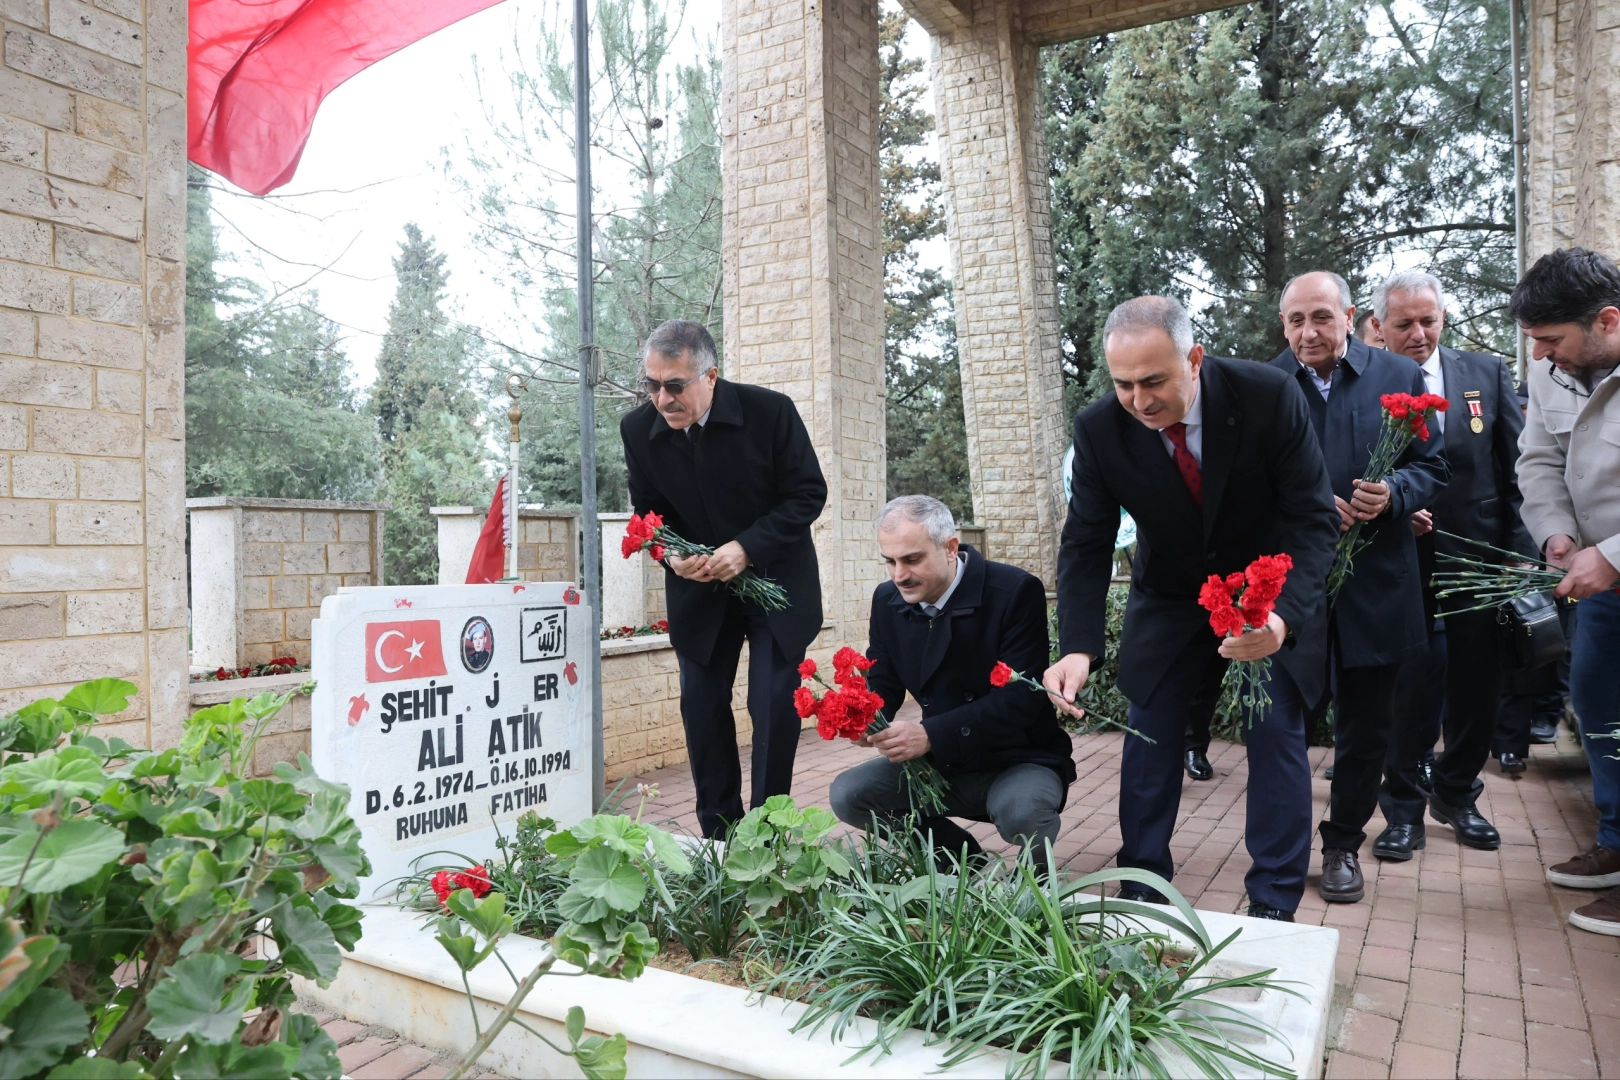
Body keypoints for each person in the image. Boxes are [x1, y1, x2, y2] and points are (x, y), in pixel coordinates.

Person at [1045, 296, 1339, 922]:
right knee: (1149, 728)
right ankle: (1142, 880)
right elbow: (1086, 543)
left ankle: (1274, 899)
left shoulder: (1268, 396)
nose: (1140, 401)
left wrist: (1281, 619)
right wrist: (1078, 647)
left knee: (1274, 728)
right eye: (1124, 384)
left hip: (1266, 591)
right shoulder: (1099, 429)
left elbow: (1312, 521)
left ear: (1195, 359)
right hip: (1172, 593)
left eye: (1154, 381)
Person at [1269, 271, 1449, 903]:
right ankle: (1281, 847)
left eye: (1322, 317)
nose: (1308, 332)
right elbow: (1245, 486)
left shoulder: (1399, 377)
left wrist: (1393, 493)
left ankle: (1342, 844)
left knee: (1368, 727)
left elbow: (1434, 466)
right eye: (1296, 320)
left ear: (1350, 318)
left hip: (1378, 584)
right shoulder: (1265, 387)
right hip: (1295, 591)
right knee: (1284, 723)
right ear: (1283, 324)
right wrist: (1311, 508)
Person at [620, 320, 828, 838]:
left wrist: (747, 547)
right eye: (652, 385)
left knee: (772, 705)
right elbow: (649, 512)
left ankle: (767, 833)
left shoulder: (771, 411)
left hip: (776, 585)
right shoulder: (636, 429)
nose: (662, 399)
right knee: (701, 706)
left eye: (675, 385)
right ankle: (720, 838)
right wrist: (671, 556)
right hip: (699, 592)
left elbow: (808, 493)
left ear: (710, 376)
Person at [1369, 271, 1534, 859]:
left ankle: (1458, 791)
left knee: (1477, 680)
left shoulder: (1485, 373)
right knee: (1405, 684)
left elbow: (1518, 470)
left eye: (1428, 320)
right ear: (1378, 326)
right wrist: (1395, 504)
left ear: (1442, 318)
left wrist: (1518, 553)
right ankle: (1402, 809)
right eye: (1404, 323)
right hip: (1398, 555)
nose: (1419, 334)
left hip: (1478, 554)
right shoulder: (1366, 381)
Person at [829, 496, 1076, 862]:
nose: (899, 575)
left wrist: (929, 735)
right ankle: (961, 863)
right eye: (890, 561)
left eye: (912, 559)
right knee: (849, 795)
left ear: (950, 548)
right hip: (941, 763)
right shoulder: (887, 599)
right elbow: (884, 679)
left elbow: (1021, 700)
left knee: (1022, 811)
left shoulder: (1015, 590)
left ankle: (1038, 884)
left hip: (1019, 758)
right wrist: (864, 718)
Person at [1509, 247, 1620, 936]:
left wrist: (1611, 555)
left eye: (1551, 339)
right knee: (1600, 706)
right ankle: (1615, 839)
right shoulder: (1553, 368)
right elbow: (1539, 460)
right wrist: (1555, 533)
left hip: (1609, 565)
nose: (1541, 356)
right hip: (1600, 585)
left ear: (1607, 321)